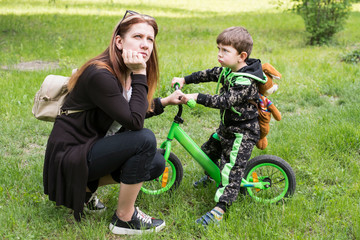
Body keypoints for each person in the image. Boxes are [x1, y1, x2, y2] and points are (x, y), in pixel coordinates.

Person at [43, 10, 186, 235]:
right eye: (137, 37)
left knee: (156, 163)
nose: (146, 45)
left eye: (150, 39)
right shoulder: (101, 74)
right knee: (145, 139)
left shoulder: (123, 71)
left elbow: (127, 112)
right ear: (119, 42)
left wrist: (164, 101)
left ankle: (87, 188)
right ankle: (124, 219)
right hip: (71, 155)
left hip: (89, 146)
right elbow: (134, 122)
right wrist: (140, 73)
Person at [172, 26, 265, 227]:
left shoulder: (246, 81)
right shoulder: (229, 71)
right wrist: (185, 80)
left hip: (243, 133)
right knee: (208, 152)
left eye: (225, 51)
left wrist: (197, 97)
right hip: (228, 128)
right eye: (218, 49)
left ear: (242, 56)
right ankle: (211, 176)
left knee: (230, 171)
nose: (219, 54)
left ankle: (220, 209)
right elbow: (209, 74)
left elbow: (224, 101)